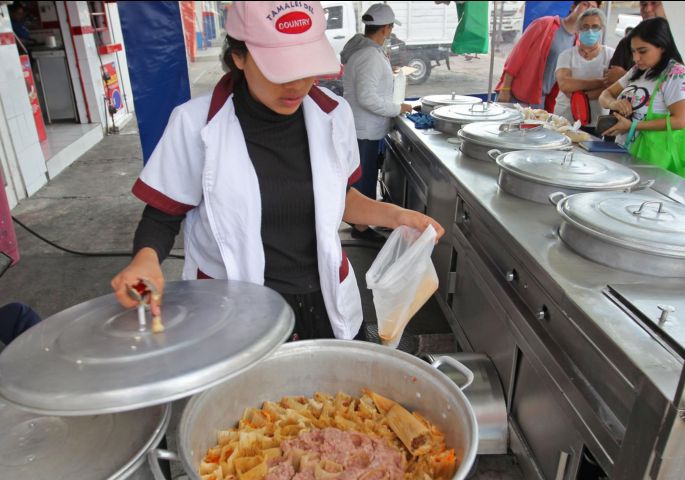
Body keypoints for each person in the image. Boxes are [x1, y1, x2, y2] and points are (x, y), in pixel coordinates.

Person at [110, 1, 444, 342]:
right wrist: (145, 260)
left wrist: (397, 216)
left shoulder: (334, 114)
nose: (297, 84)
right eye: (280, 69)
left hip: (325, 299)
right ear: (238, 57)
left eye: (307, 66)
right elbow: (162, 217)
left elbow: (338, 199)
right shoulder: (195, 125)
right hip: (238, 305)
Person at [341, 4, 412, 242]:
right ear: (385, 29)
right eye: (390, 28)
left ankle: (361, 223)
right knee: (363, 179)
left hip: (364, 127)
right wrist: (397, 108)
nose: (390, 32)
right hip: (364, 130)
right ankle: (360, 228)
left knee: (365, 175)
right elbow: (367, 97)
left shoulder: (368, 51)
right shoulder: (369, 56)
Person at [599, 18, 685, 169]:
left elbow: (680, 120)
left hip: (652, 158)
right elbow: (605, 94)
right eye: (633, 51)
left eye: (642, 51)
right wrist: (614, 103)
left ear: (662, 46)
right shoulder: (637, 70)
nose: (636, 58)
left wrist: (633, 126)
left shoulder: (675, 73)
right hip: (625, 150)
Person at [496, 1, 600, 110]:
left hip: (539, 102)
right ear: (573, 6)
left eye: (593, 8)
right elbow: (516, 56)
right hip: (514, 96)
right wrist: (505, 89)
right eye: (585, 4)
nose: (588, 10)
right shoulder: (545, 24)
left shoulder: (577, 42)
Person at [554, 8, 615, 130]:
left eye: (595, 27)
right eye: (585, 27)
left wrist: (577, 91)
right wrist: (600, 82)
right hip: (565, 120)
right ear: (578, 30)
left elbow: (612, 87)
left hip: (597, 122)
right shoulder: (566, 55)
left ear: (601, 29)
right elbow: (565, 84)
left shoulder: (610, 55)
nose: (590, 31)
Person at [607, 0, 666, 85]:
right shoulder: (626, 42)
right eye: (644, 4)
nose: (648, 9)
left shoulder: (679, 43)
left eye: (654, 3)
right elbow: (610, 79)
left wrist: (625, 77)